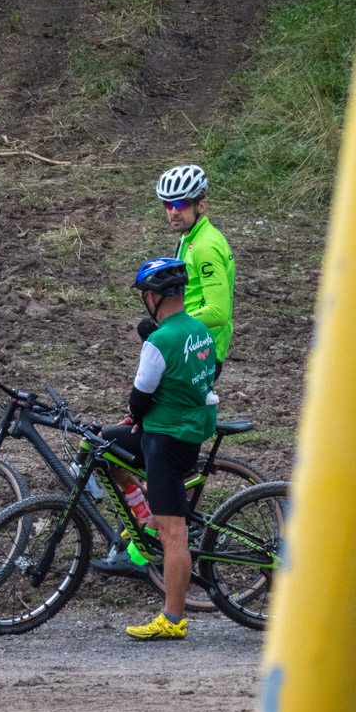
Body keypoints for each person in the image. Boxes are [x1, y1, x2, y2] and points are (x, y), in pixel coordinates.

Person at [98, 258, 218, 641]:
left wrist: (137, 415)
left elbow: (139, 397)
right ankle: (140, 509)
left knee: (173, 534)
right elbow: (208, 372)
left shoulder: (158, 341)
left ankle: (173, 618)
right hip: (187, 433)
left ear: (152, 298)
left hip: (165, 441)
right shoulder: (200, 330)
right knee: (104, 443)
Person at [155, 164, 235, 378]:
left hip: (201, 350)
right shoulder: (192, 236)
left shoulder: (206, 247)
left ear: (201, 205)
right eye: (168, 204)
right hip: (189, 342)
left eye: (181, 204)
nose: (173, 212)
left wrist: (170, 327)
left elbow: (218, 312)